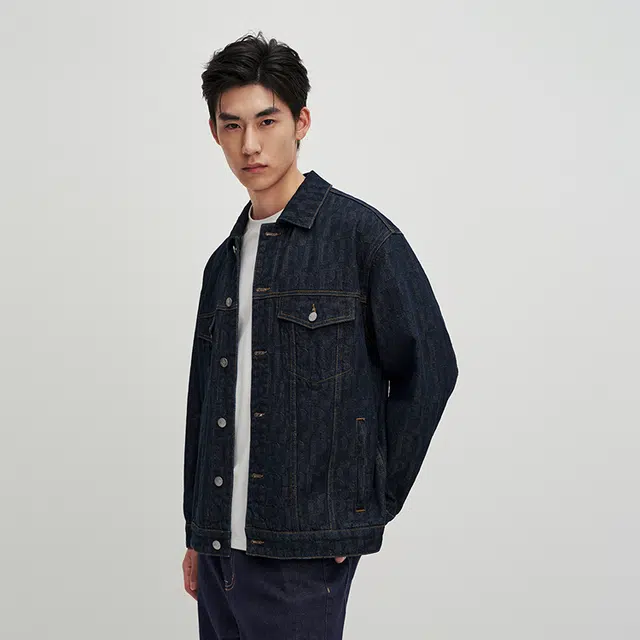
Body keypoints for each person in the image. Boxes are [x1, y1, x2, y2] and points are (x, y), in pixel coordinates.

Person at [181, 31, 458, 639]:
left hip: (303, 552)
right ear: (215, 133)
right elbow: (206, 404)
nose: (250, 144)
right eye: (232, 125)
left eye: (267, 121)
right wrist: (198, 531)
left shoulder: (362, 239)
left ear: (301, 122)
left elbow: (432, 369)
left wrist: (364, 507)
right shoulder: (222, 263)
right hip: (220, 551)